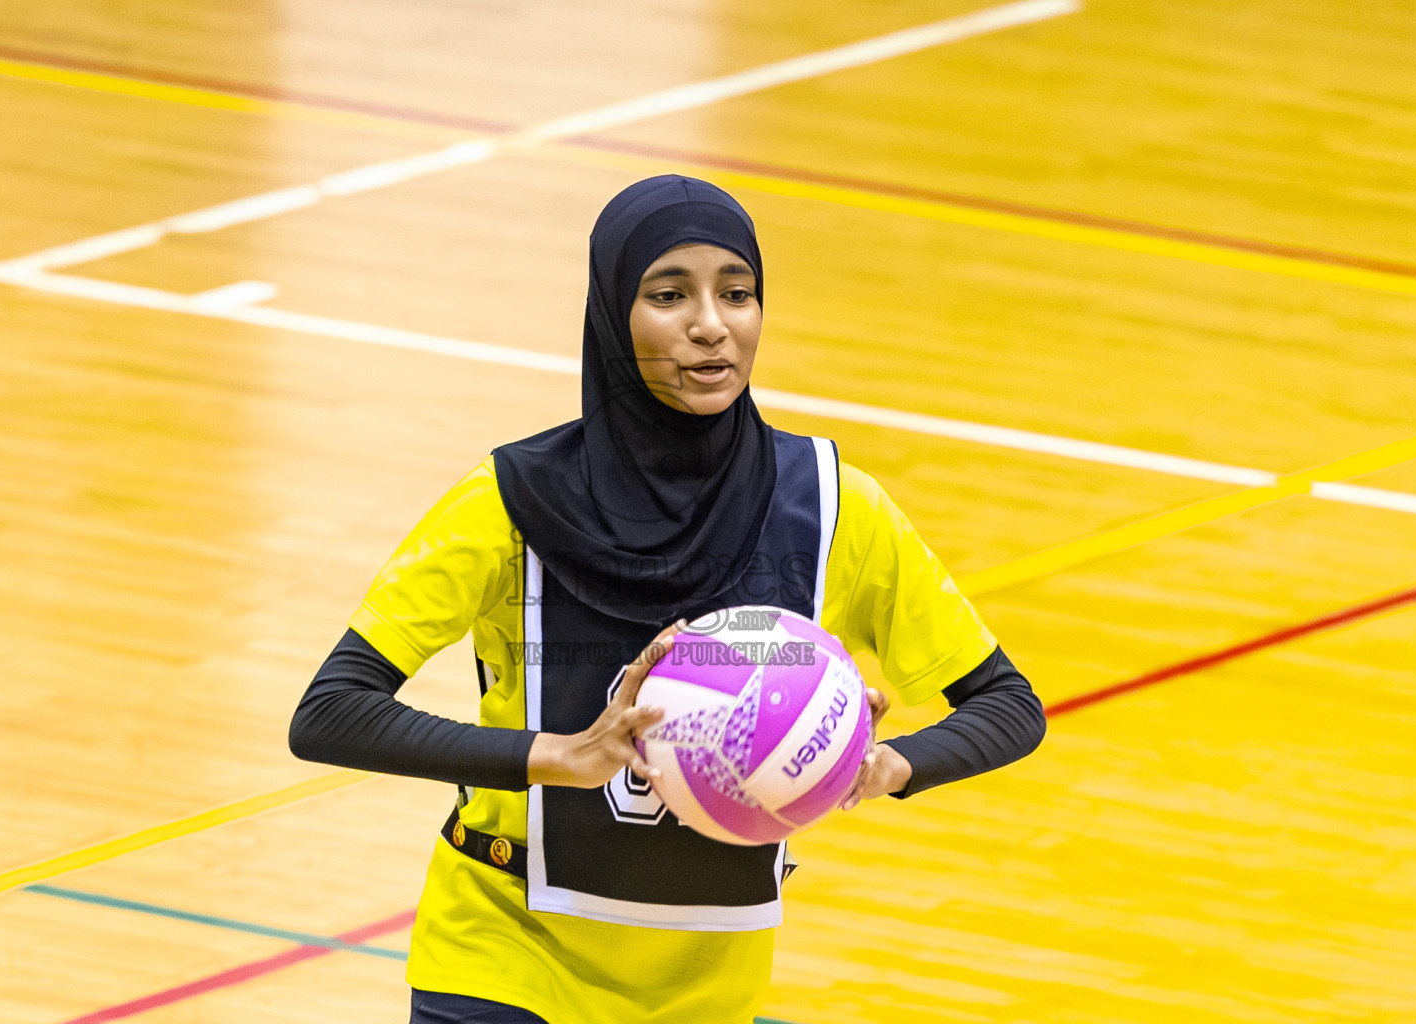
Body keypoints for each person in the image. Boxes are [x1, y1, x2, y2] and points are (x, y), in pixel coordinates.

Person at [289, 175, 1046, 1023]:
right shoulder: (509, 498)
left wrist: (881, 766)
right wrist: (557, 756)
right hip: (503, 960)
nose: (711, 324)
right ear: (614, 316)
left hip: (707, 988)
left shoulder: (836, 507)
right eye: (669, 294)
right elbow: (331, 712)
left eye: (737, 292)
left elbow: (1009, 704)